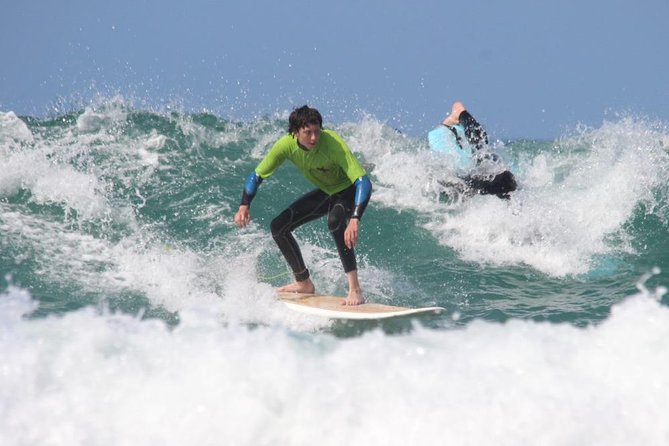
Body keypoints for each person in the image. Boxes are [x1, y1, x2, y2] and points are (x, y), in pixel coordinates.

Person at [233, 105, 372, 306]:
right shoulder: (285, 145)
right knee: (278, 226)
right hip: (327, 190)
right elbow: (257, 175)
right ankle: (303, 283)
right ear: (295, 132)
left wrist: (355, 218)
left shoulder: (332, 143)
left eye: (317, 131)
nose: (314, 138)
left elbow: (363, 182)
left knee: (335, 222)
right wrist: (244, 205)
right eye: (308, 133)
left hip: (349, 189)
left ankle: (355, 290)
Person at [429, 102, 517, 199]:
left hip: (488, 180)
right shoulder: (485, 163)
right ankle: (459, 113)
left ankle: (459, 113)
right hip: (487, 175)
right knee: (481, 153)